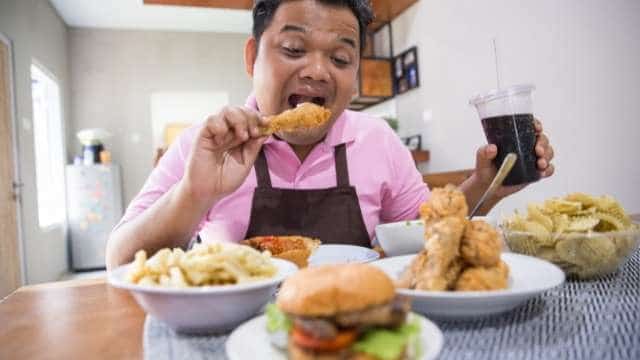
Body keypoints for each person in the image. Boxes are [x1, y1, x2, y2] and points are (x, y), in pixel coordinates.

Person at [105, 0, 555, 270]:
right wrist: (195, 192)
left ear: (356, 78)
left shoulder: (377, 140)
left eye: (341, 59)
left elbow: (425, 234)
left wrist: (489, 185)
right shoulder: (207, 143)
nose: (318, 71)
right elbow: (120, 261)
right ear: (251, 58)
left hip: (355, 327)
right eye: (294, 49)